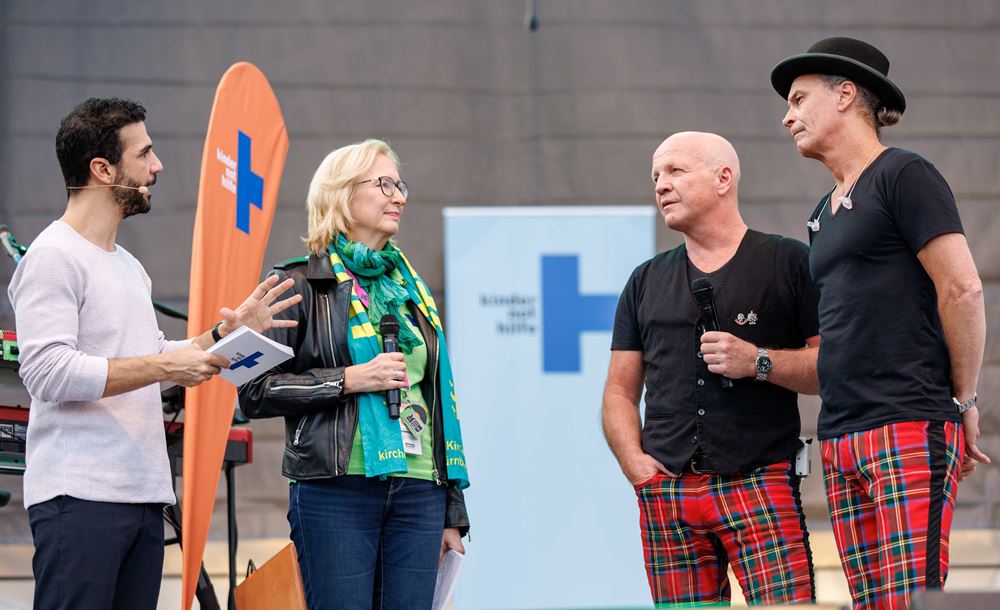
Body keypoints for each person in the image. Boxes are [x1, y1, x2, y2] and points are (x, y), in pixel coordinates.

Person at [7, 97, 301, 610]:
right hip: (79, 501)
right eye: (144, 154)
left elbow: (150, 358)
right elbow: (47, 373)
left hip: (142, 498)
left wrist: (220, 337)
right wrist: (166, 364)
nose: (157, 166)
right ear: (102, 169)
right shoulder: (52, 257)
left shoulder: (128, 267)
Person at [771, 37, 990, 610]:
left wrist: (963, 401)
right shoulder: (822, 213)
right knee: (871, 604)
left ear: (846, 95)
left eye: (798, 99)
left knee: (910, 602)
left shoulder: (904, 174)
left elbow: (962, 288)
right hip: (842, 437)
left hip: (907, 422)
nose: (786, 116)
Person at [238, 138, 470, 610]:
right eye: (383, 184)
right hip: (336, 489)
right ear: (341, 196)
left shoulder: (411, 289)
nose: (399, 196)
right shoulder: (298, 283)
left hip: (420, 489)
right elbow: (254, 392)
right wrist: (348, 379)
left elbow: (435, 401)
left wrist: (452, 511)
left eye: (400, 185)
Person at [602, 131, 821, 607]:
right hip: (667, 490)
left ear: (724, 178)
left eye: (676, 171)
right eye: (656, 176)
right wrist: (634, 464)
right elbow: (620, 390)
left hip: (759, 480)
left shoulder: (787, 261)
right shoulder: (645, 279)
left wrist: (757, 361)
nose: (661, 185)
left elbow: (832, 367)